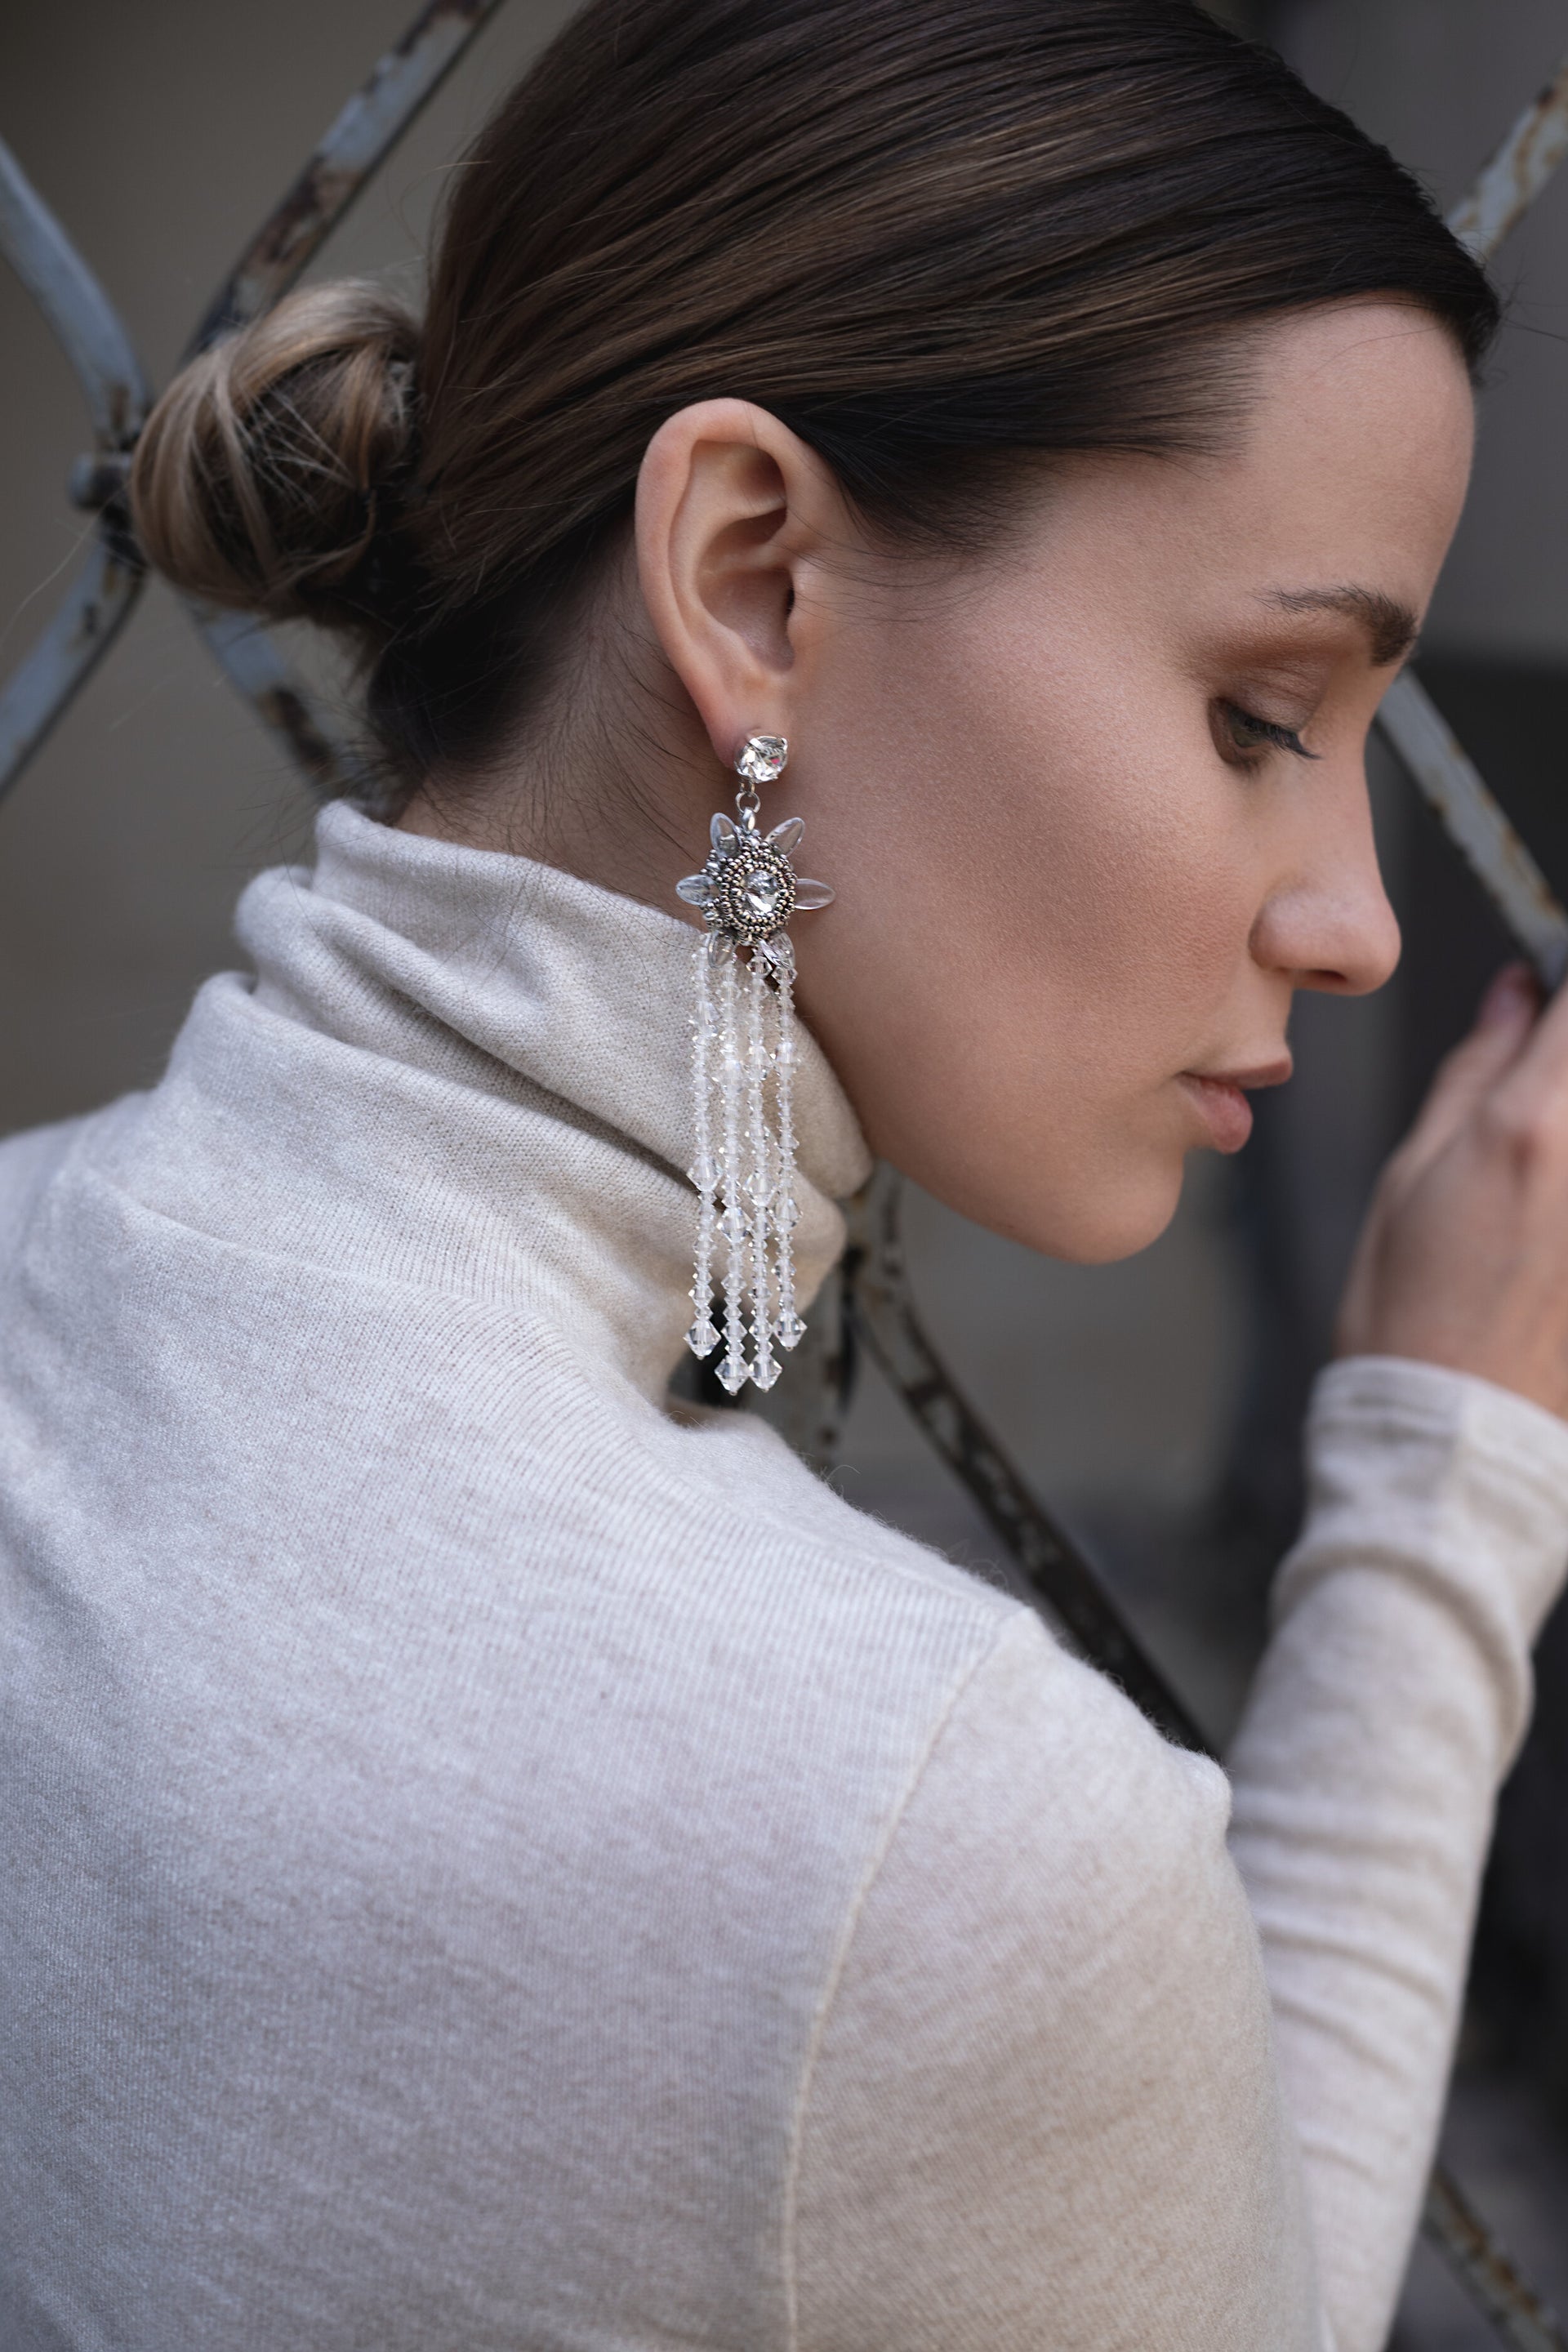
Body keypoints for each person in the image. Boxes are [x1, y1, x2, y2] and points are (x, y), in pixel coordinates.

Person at [5, 2, 1568, 2345]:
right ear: (749, 581)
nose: (1352, 915)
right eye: (1262, 715)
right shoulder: (927, 1839)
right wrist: (1448, 1506)